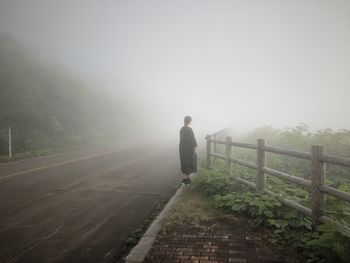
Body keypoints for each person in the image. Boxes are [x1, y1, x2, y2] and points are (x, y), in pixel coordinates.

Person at [179, 116, 197, 185]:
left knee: (184, 162)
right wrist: (195, 148)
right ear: (189, 121)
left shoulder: (182, 129)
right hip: (189, 149)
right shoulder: (189, 129)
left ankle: (185, 179)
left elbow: (182, 140)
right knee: (190, 162)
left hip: (182, 149)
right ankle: (187, 179)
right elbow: (193, 139)